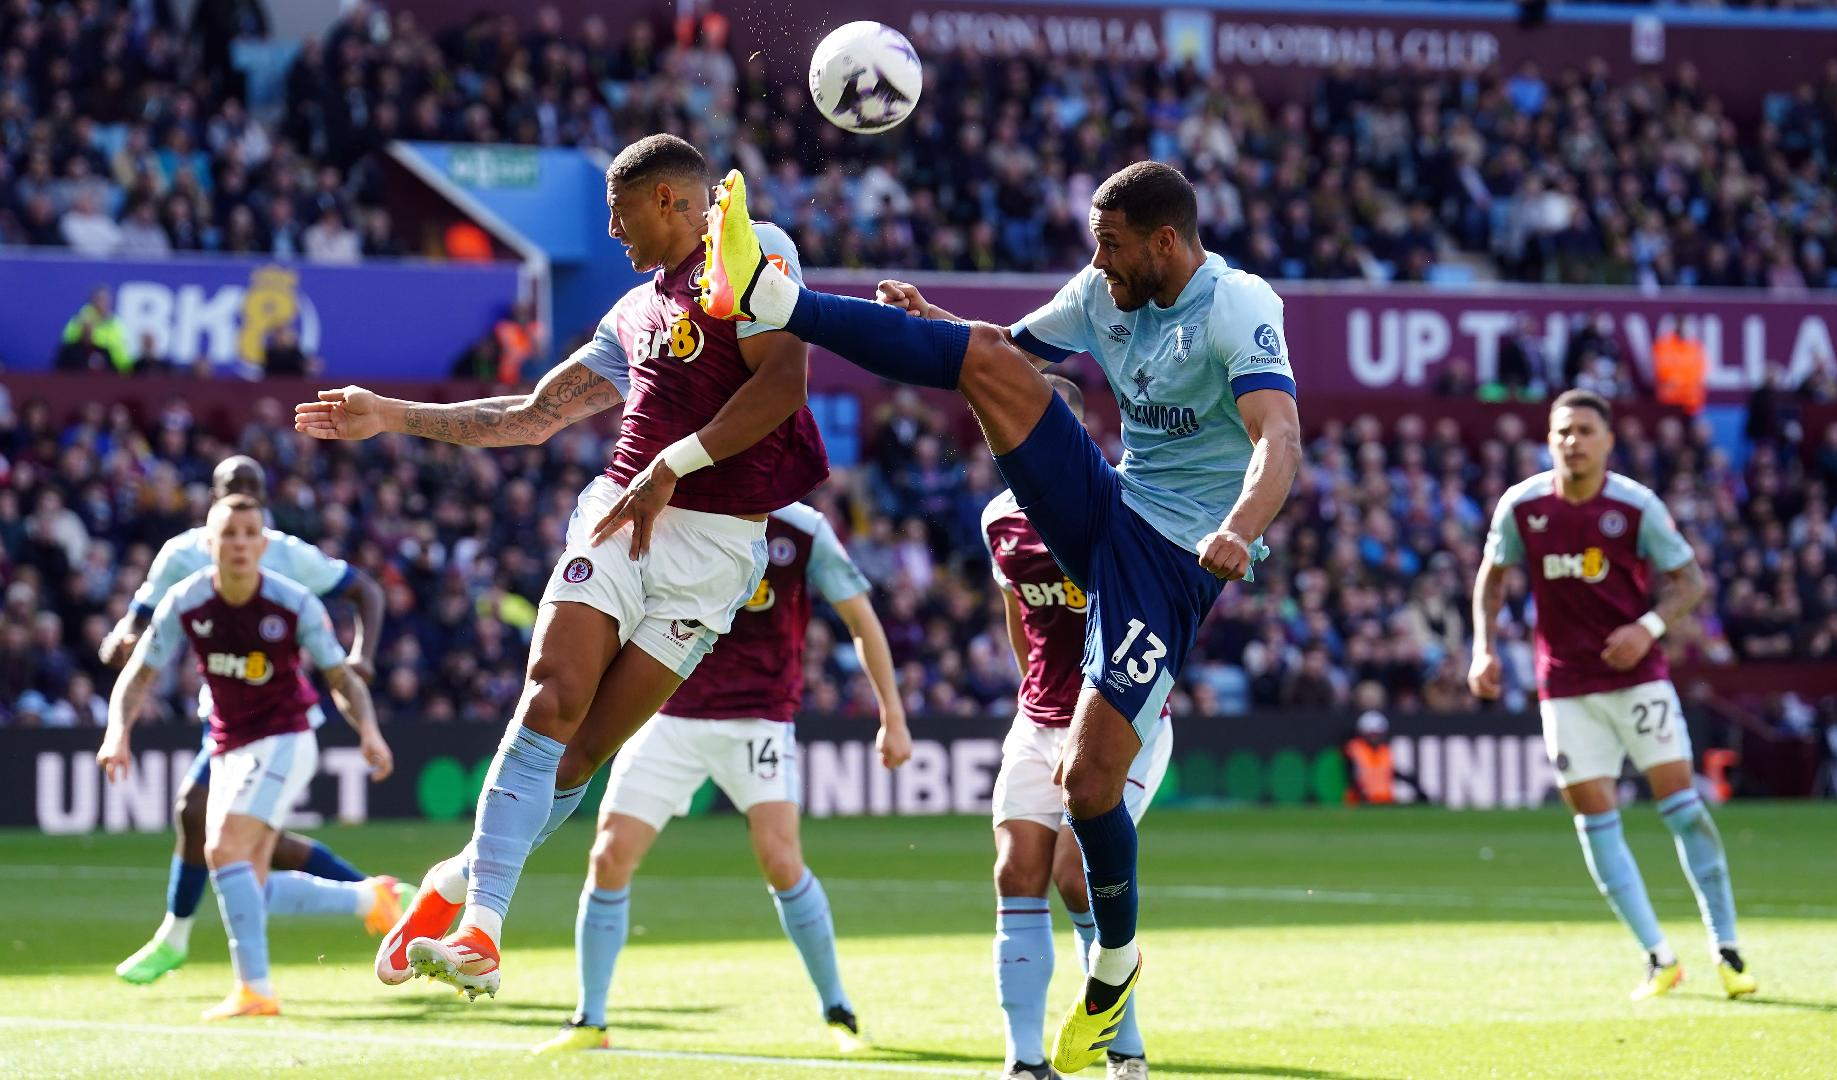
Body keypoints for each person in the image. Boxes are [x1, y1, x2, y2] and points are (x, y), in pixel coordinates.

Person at [697, 160, 1300, 1071]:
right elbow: (1005, 350)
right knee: (979, 357)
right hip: (1108, 505)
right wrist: (936, 325)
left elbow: (1279, 438)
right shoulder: (1104, 292)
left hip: (1174, 559)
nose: (1099, 262)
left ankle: (1116, 969)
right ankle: (780, 302)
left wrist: (1238, 530)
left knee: (1089, 787)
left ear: (1166, 240)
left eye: (1113, 244)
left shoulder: (1236, 305)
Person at [293, 134, 826, 999]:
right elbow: (531, 416)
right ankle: (484, 930)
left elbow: (782, 384)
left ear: (665, 200)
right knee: (551, 697)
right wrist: (389, 413)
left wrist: (675, 467)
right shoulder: (631, 315)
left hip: (719, 548)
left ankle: (451, 884)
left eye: (619, 215)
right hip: (620, 515)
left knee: (579, 759)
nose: (613, 235)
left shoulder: (754, 250)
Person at [535, 500, 910, 1055]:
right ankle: (590, 1020)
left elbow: (860, 619)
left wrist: (893, 717)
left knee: (782, 862)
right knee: (609, 856)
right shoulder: (676, 505)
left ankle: (839, 1011)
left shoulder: (803, 530)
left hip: (758, 718)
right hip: (669, 713)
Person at [1469, 389, 1756, 1001]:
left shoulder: (1635, 506)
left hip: (1638, 680)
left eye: (1585, 431)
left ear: (1608, 441)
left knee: (1684, 809)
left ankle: (1726, 948)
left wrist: (1647, 627)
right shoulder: (1523, 507)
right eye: (1562, 432)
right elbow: (1491, 579)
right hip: (1566, 689)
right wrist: (1484, 648)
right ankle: (1659, 956)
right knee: (1595, 823)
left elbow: (1691, 581)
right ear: (1549, 441)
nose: (1573, 442)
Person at [97, 494, 394, 1019]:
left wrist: (367, 730)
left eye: (248, 533)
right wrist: (116, 732)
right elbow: (139, 674)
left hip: (285, 737)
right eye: (227, 534)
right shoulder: (185, 601)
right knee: (246, 881)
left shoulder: (295, 603)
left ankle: (254, 990)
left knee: (222, 847)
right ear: (208, 544)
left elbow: (340, 676)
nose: (238, 543)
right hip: (228, 745)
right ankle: (372, 900)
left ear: (264, 543)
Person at [982, 375, 1171, 1080]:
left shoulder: (1123, 506)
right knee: (1015, 873)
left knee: (1072, 875)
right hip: (1039, 719)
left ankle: (1122, 1042)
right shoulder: (997, 518)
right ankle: (1025, 1061)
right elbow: (1020, 622)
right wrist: (1034, 695)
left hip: (1122, 717)